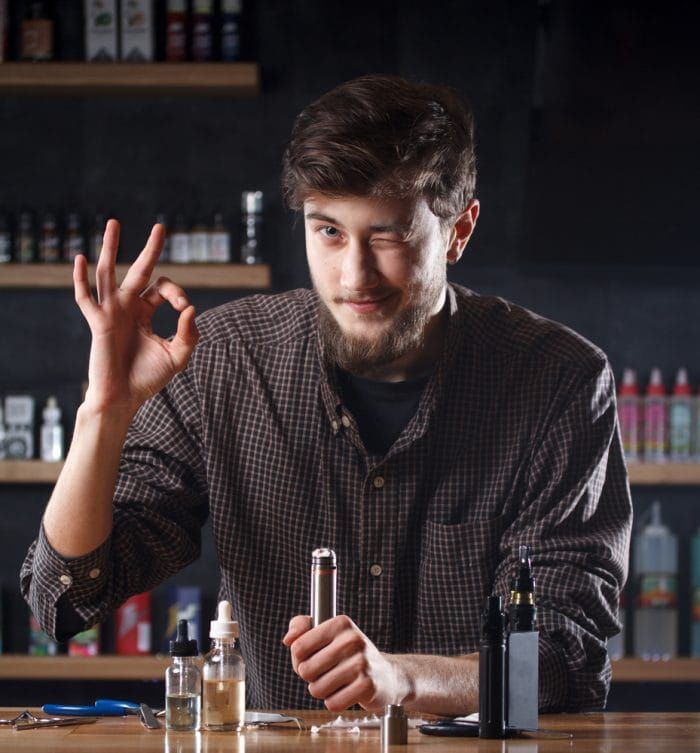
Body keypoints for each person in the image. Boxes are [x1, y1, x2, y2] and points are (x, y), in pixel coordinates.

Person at [21, 74, 632, 715]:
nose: (354, 276)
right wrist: (105, 413)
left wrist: (400, 680)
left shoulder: (560, 381)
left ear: (459, 229)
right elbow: (66, 599)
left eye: (389, 235)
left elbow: (563, 658)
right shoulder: (225, 360)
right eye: (329, 232)